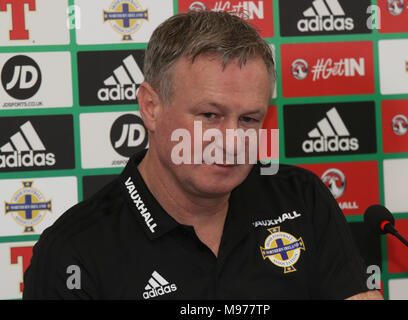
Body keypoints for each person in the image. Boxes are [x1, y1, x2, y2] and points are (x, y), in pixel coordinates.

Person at [23, 10, 382, 300]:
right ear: (151, 107)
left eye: (248, 119)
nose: (231, 141)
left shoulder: (302, 198)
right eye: (209, 115)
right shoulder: (75, 251)